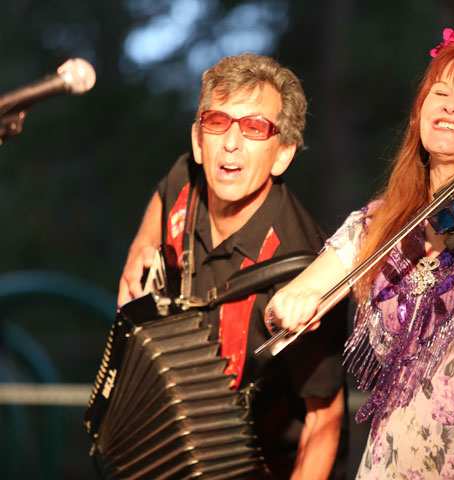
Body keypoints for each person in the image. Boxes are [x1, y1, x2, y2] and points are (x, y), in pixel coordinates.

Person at [266, 28, 454, 478]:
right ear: (419, 115)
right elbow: (296, 294)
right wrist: (290, 304)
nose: (451, 105)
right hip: (391, 464)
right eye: (440, 93)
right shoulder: (376, 223)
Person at [116, 54, 346, 479]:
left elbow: (325, 416)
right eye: (217, 122)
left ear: (282, 155)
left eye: (256, 127)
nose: (231, 143)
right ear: (198, 141)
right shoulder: (188, 177)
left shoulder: (305, 266)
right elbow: (168, 188)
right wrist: (143, 241)